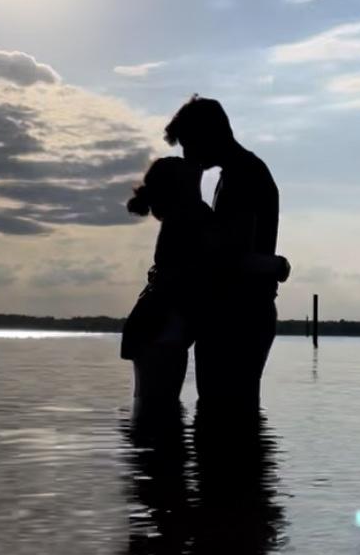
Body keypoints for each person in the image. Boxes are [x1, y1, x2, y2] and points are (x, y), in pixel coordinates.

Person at [121, 156, 287, 420]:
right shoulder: (190, 216)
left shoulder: (185, 215)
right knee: (157, 409)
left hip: (156, 327)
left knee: (152, 407)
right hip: (162, 329)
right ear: (183, 184)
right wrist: (278, 265)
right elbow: (228, 258)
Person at [164, 95, 282, 411]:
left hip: (238, 317)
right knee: (226, 415)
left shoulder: (244, 175)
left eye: (188, 144)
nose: (186, 154)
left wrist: (190, 203)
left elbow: (230, 249)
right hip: (235, 313)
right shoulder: (235, 174)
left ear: (208, 136)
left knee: (224, 412)